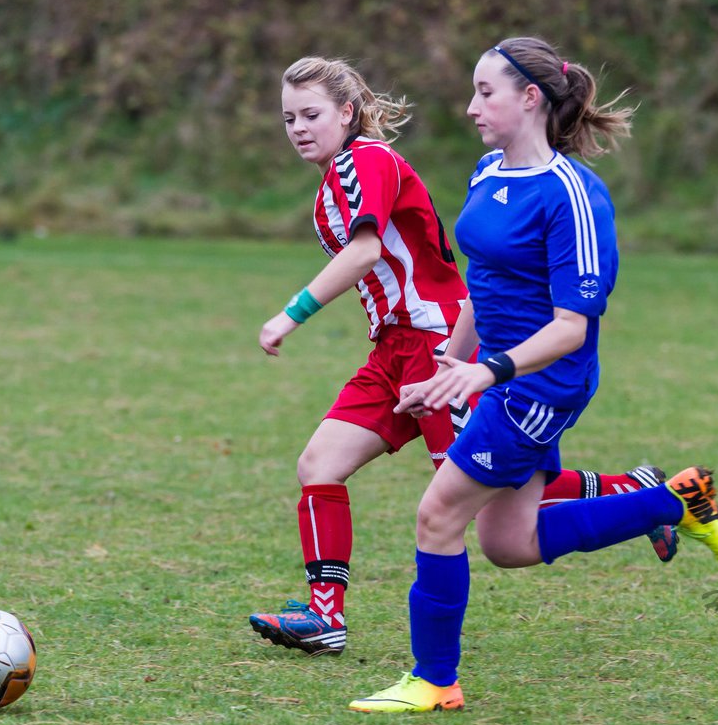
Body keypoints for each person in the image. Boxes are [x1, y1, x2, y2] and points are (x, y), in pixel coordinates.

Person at [348, 38, 718, 713]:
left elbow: (571, 328)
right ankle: (674, 502)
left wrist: (486, 373)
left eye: (486, 93)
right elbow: (484, 280)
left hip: (541, 386)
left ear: (531, 97)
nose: (471, 107)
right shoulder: (488, 170)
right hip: (498, 377)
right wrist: (451, 362)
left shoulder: (573, 196)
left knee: (436, 515)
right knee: (510, 543)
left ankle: (434, 679)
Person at [248, 56, 678, 658]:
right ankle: (326, 618)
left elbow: (368, 250)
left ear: (347, 114)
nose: (297, 126)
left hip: (438, 344)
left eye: (312, 114)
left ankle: (634, 492)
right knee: (320, 464)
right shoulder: (338, 178)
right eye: (289, 116)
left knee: (482, 501)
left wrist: (289, 314)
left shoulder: (365, 160)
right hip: (395, 351)